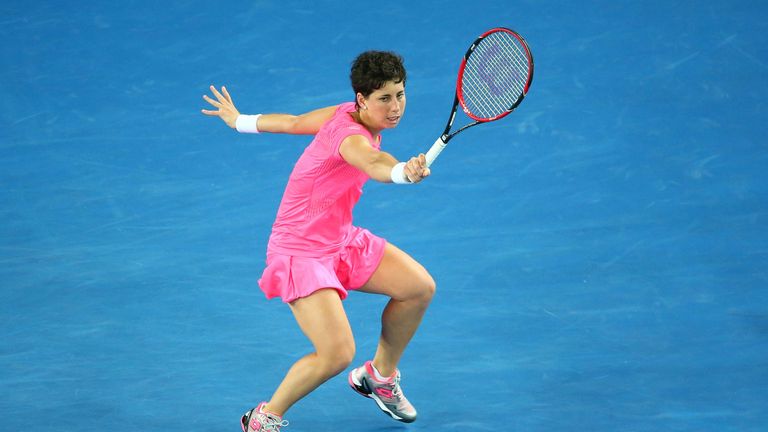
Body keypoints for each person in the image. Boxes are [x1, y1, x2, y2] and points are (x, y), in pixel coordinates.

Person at [201, 51, 436, 431]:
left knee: (418, 288)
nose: (396, 108)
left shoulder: (342, 111)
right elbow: (373, 163)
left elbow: (293, 122)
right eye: (385, 98)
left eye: (401, 94)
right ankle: (263, 417)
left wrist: (240, 120)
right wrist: (400, 172)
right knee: (337, 353)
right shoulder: (350, 135)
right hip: (299, 252)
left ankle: (379, 376)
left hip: (338, 241)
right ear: (362, 99)